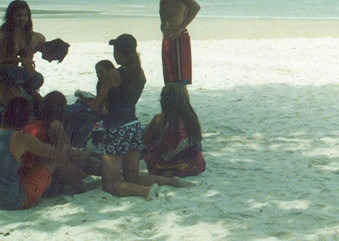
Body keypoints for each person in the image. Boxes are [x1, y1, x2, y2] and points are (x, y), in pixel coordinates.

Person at [88, 35, 191, 198]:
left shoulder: (113, 75)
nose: (114, 55)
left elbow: (96, 104)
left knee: (110, 185)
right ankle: (172, 182)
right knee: (133, 177)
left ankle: (145, 191)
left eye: (115, 51)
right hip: (132, 125)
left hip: (116, 128)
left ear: (120, 53)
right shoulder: (139, 74)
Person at [3, 97, 87, 210]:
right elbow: (59, 155)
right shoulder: (23, 138)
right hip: (13, 201)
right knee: (53, 160)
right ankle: (80, 185)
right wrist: (60, 133)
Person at [149, 0, 201, 87]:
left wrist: (179, 28)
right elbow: (183, 8)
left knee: (178, 84)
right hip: (169, 38)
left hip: (177, 38)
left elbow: (194, 7)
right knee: (171, 83)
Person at [0, 0, 61, 105]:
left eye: (25, 15)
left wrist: (27, 64)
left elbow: (28, 57)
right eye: (19, 16)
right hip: (4, 70)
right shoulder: (3, 35)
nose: (22, 19)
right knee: (36, 78)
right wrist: (21, 60)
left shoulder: (27, 35)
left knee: (36, 78)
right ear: (11, 17)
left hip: (13, 72)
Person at [142, 83, 204, 178]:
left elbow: (145, 139)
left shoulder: (160, 119)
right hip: (194, 166)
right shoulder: (191, 118)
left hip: (168, 167)